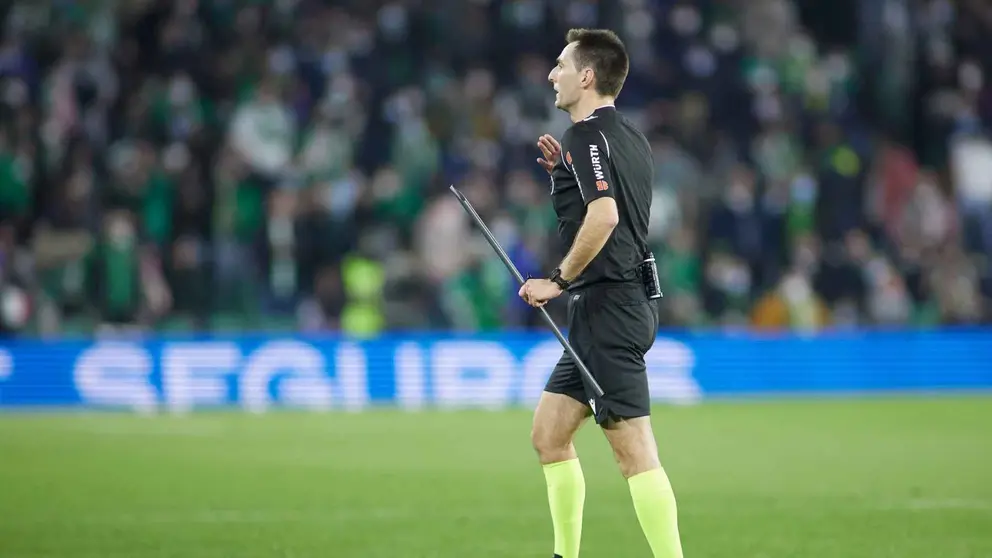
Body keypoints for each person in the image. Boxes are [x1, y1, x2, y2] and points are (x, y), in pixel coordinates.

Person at [518, 29, 684, 558]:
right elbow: (612, 206)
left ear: (586, 76)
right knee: (548, 435)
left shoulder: (585, 137)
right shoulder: (629, 138)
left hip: (609, 307)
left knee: (633, 450)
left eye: (562, 65)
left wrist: (557, 280)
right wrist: (564, 179)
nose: (552, 74)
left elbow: (607, 215)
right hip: (612, 308)